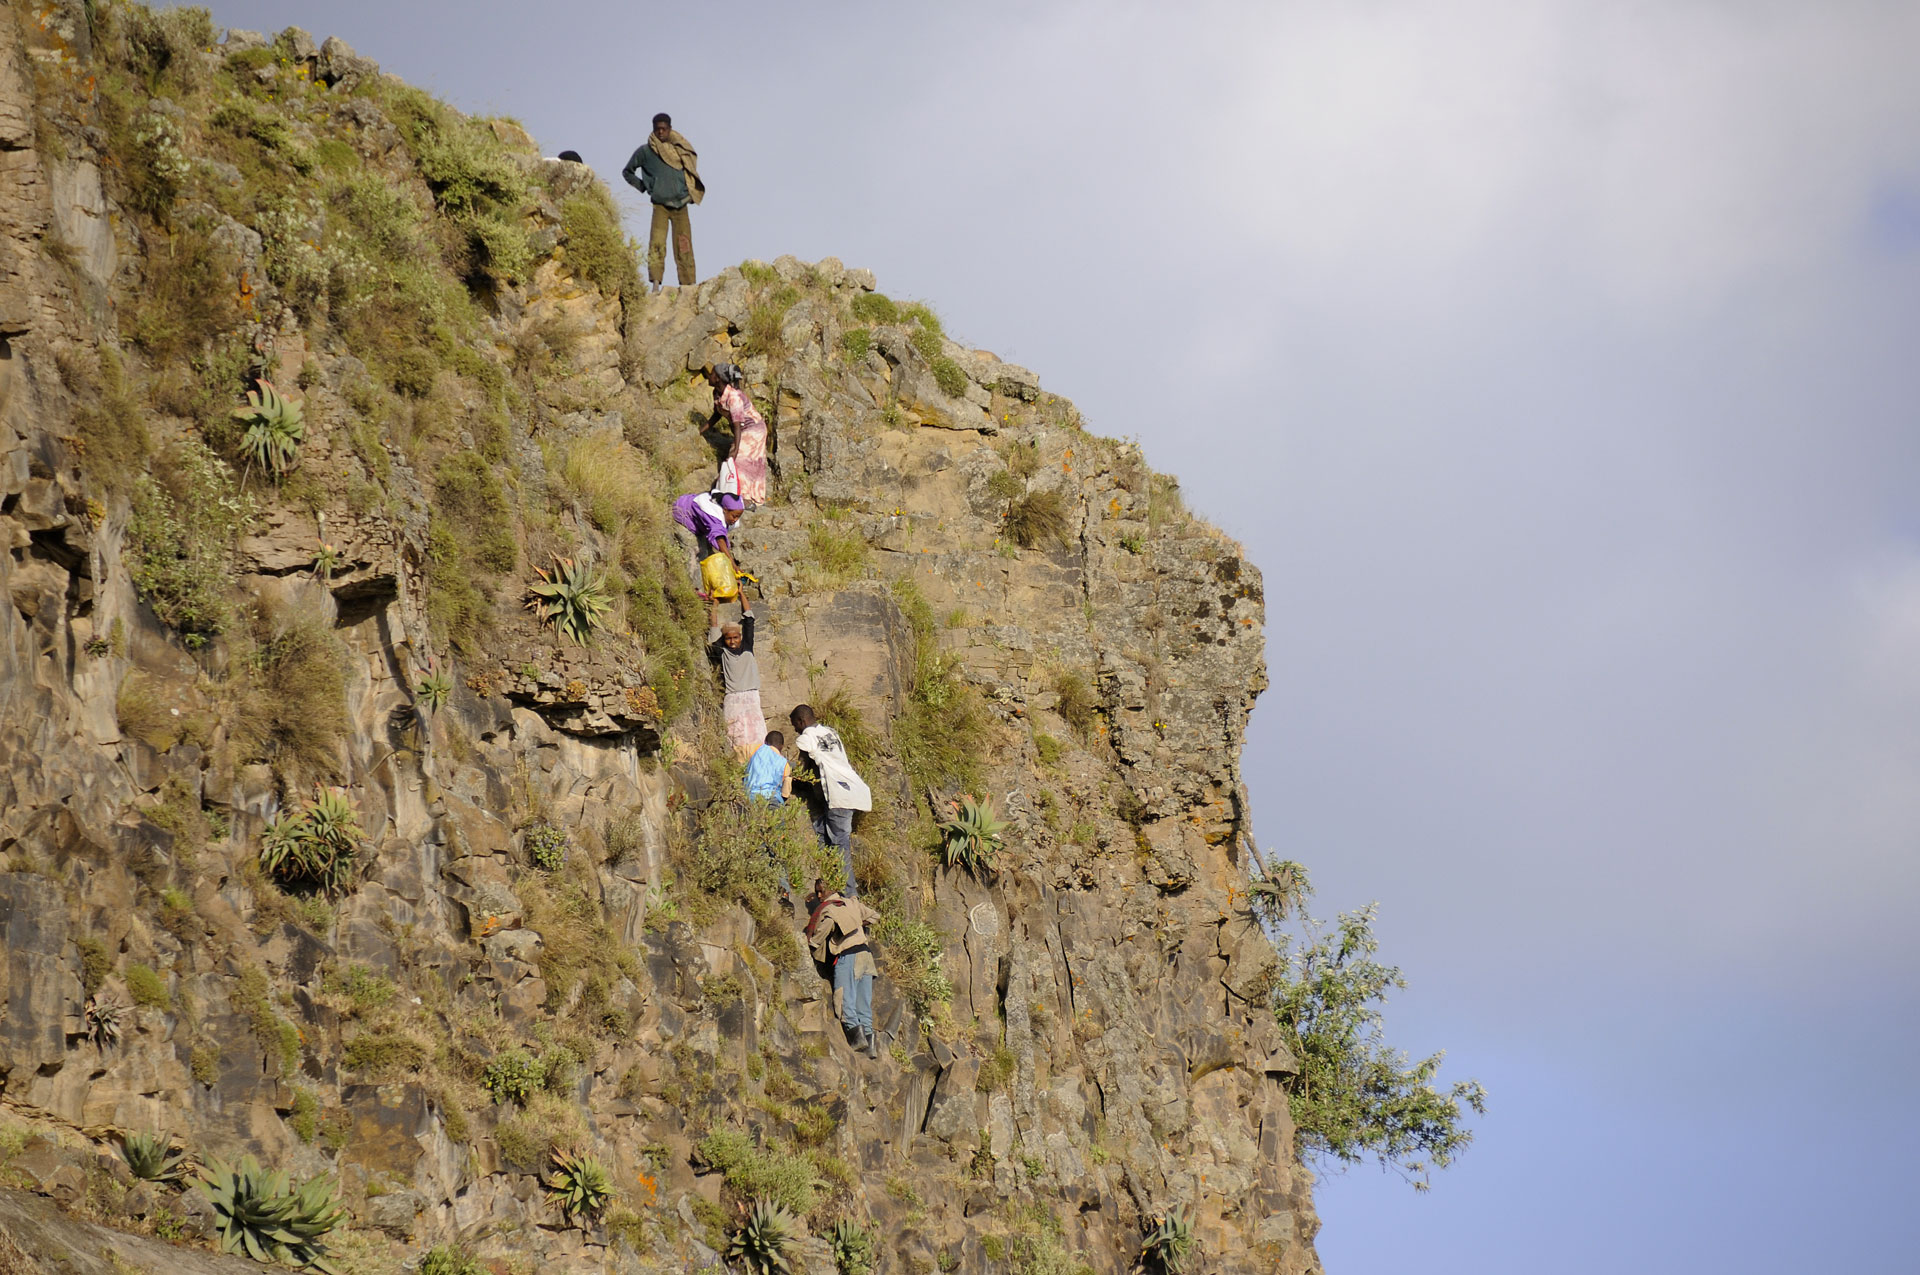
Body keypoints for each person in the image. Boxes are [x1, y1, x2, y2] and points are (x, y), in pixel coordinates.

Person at [790, 704, 871, 896]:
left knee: (839, 846)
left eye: (795, 725)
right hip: (852, 788)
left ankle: (849, 897)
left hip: (837, 795)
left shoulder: (806, 738)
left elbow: (804, 768)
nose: (794, 729)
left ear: (801, 721)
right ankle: (833, 888)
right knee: (825, 837)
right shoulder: (830, 732)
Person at [621, 112, 704, 293]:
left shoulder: (680, 148)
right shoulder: (645, 151)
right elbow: (627, 171)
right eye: (657, 129)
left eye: (664, 129)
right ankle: (656, 284)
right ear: (653, 130)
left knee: (684, 245)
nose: (660, 132)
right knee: (657, 243)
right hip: (660, 206)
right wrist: (644, 186)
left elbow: (691, 170)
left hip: (681, 205)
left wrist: (689, 192)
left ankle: (688, 285)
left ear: (669, 129)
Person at [806, 882, 882, 1057]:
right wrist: (856, 923)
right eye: (817, 892)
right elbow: (875, 916)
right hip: (866, 955)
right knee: (863, 1004)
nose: (819, 896)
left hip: (848, 956)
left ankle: (857, 1040)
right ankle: (870, 1048)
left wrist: (814, 943)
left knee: (844, 999)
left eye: (821, 891)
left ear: (830, 889)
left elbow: (824, 928)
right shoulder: (851, 903)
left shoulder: (828, 909)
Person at [705, 362, 770, 507]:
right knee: (739, 460)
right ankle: (736, 495)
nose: (709, 376)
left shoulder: (734, 397)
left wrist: (736, 448)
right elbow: (717, 415)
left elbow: (737, 425)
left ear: (718, 379)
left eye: (713, 374)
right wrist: (702, 431)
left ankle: (743, 498)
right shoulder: (717, 393)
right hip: (742, 429)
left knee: (739, 460)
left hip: (754, 429)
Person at [710, 599, 764, 761]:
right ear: (724, 640)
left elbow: (749, 620)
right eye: (728, 638)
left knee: (756, 732)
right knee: (734, 733)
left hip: (752, 696)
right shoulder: (722, 652)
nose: (732, 641)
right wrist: (714, 606)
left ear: (741, 637)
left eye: (735, 637)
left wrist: (741, 593)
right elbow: (713, 628)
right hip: (733, 698)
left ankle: (757, 760)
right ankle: (738, 763)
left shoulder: (747, 646)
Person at [671, 489, 743, 594]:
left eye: (738, 517)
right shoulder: (712, 513)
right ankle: (691, 589)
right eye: (734, 516)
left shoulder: (723, 506)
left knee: (710, 554)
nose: (736, 519)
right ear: (725, 510)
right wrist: (731, 561)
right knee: (697, 554)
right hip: (682, 513)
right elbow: (719, 538)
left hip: (697, 518)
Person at [745, 729, 791, 804]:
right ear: (782, 746)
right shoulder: (785, 764)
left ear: (765, 742)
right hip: (772, 799)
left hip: (751, 797)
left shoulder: (755, 748)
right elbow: (785, 793)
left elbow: (738, 755)